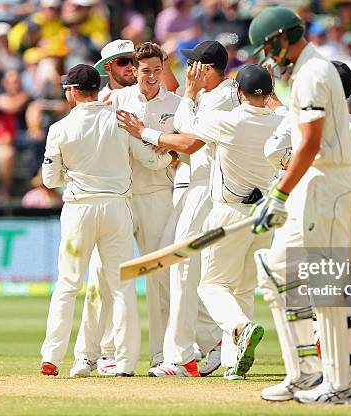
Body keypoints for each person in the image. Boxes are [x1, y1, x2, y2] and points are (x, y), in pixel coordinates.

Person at [248, 6, 351, 405]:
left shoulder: (313, 72)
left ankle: (342, 386)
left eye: (267, 46)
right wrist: (285, 191)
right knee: (275, 273)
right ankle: (305, 375)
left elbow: (311, 145)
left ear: (282, 37)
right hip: (313, 185)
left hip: (327, 185)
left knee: (326, 286)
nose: (266, 56)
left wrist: (279, 193)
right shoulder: (304, 72)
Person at [39, 64, 172, 377]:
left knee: (68, 284)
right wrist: (171, 156)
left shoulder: (60, 128)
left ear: (72, 91)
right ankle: (124, 363)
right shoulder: (120, 120)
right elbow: (151, 159)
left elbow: (49, 180)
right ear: (96, 89)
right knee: (121, 286)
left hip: (79, 209)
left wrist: (70, 174)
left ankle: (52, 357)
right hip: (116, 209)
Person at [120, 40, 237, 378]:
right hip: (198, 187)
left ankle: (183, 356)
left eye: (193, 64)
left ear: (206, 69)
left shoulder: (221, 99)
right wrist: (188, 92)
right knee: (177, 266)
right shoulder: (207, 96)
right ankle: (213, 341)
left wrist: (145, 133)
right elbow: (185, 128)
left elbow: (189, 142)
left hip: (209, 188)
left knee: (182, 267)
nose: (188, 70)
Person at [185, 64, 281, 381]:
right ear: (268, 93)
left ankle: (240, 329)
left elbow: (186, 127)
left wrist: (189, 92)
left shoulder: (227, 121)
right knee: (243, 289)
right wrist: (275, 98)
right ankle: (232, 363)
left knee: (211, 285)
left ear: (239, 93)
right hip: (263, 216)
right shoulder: (282, 122)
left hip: (228, 212)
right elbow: (291, 117)